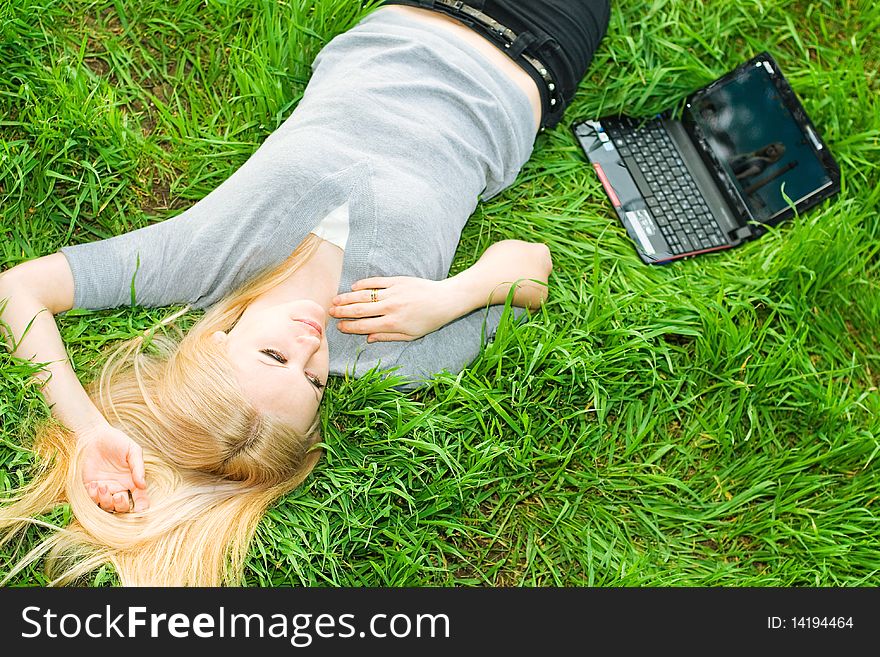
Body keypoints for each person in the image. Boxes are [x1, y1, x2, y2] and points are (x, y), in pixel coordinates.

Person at [0, 0, 610, 586]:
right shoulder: (392, 349)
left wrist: (85, 430)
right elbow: (532, 268)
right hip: (536, 47)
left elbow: (19, 290)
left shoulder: (197, 261)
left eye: (274, 358)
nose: (309, 348)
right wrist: (455, 296)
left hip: (410, 14)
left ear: (215, 341)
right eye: (314, 382)